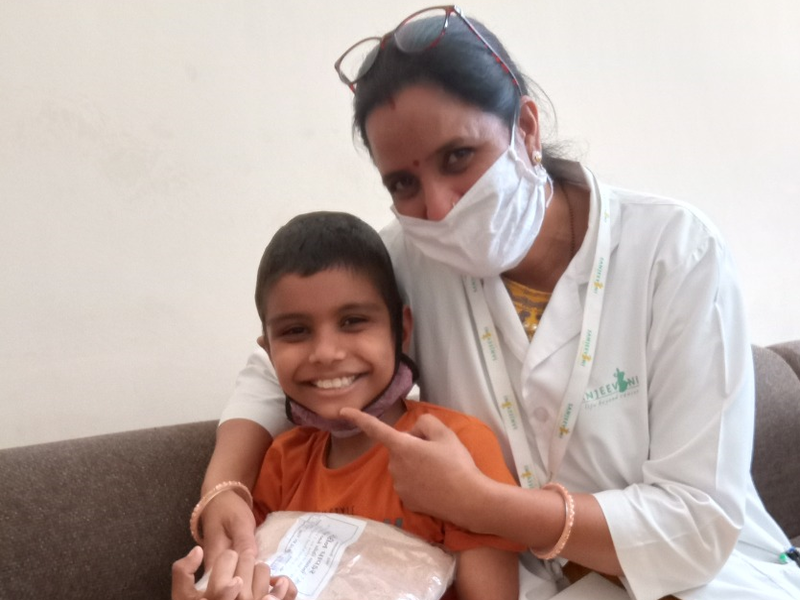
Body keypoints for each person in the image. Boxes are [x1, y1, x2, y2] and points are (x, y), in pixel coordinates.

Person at [191, 6, 800, 600]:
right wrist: (224, 490)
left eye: (459, 157)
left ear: (526, 129)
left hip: (702, 579)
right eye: (403, 183)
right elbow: (281, 362)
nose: (439, 207)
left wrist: (480, 504)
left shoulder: (675, 251)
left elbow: (697, 524)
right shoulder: (407, 256)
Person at [174, 211, 522, 600]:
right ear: (269, 352)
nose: (326, 353)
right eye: (296, 331)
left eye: (353, 321)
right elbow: (245, 580)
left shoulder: (458, 447)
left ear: (402, 330)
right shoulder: (282, 464)